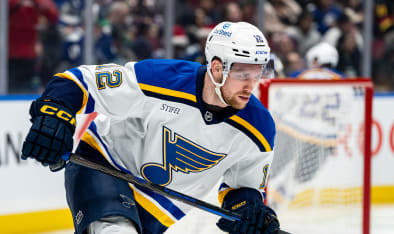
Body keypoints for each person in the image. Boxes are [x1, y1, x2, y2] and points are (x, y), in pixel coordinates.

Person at [20, 21, 280, 234]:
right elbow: (78, 81)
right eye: (242, 74)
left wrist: (249, 211)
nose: (251, 84)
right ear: (216, 68)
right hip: (104, 165)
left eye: (256, 74)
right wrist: (54, 112)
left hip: (161, 208)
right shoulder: (161, 79)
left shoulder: (259, 129)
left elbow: (242, 188)